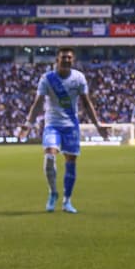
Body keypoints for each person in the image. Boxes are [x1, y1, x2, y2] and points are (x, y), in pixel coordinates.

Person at [25, 47, 101, 213]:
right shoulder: (47, 79)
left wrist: (98, 125)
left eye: (69, 57)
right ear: (57, 60)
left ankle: (67, 200)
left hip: (71, 126)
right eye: (63, 57)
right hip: (52, 124)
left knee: (71, 163)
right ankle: (53, 193)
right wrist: (29, 123)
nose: (66, 60)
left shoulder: (79, 78)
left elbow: (87, 103)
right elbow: (37, 103)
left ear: (72, 60)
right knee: (50, 157)